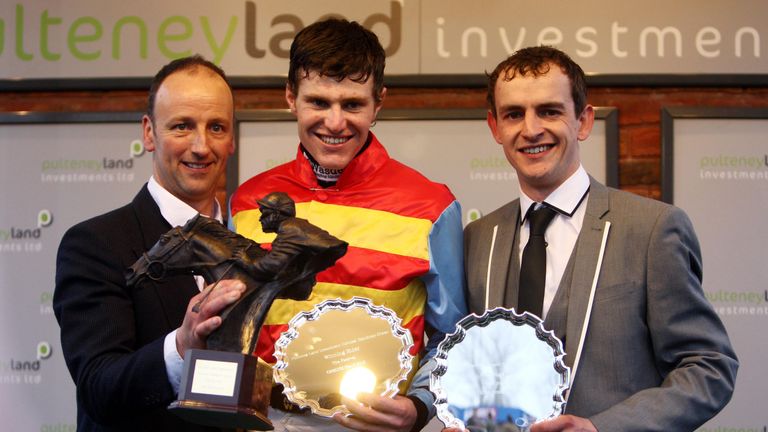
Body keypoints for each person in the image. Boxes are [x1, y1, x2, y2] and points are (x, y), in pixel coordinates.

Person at [461, 46, 738, 431]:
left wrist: (601, 428)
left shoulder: (652, 228)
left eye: (549, 111)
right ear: (495, 127)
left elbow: (708, 366)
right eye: (513, 114)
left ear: (584, 121)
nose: (531, 129)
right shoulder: (477, 238)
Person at [230, 18, 467, 432]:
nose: (335, 122)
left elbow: (453, 338)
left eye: (352, 104)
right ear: (291, 98)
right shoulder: (248, 201)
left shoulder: (433, 206)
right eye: (319, 102)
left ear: (378, 103)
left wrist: (420, 406)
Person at [54, 55, 243, 432]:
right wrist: (181, 347)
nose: (201, 146)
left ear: (232, 138)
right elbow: (98, 389)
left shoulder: (252, 244)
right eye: (182, 127)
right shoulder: (95, 244)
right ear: (149, 133)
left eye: (216, 127)